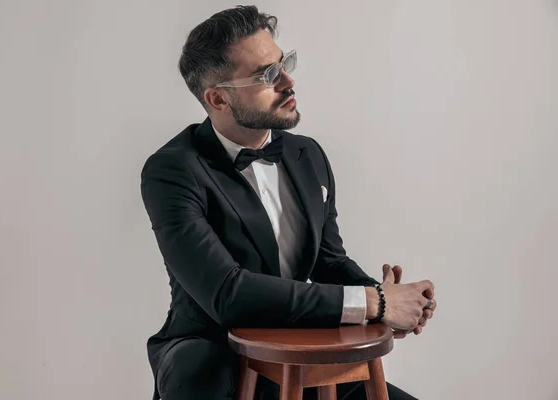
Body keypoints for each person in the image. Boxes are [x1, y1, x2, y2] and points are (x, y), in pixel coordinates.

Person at [140, 5, 437, 400]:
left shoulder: (307, 155)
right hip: (210, 356)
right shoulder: (172, 170)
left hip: (299, 348)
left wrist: (391, 299)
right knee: (198, 371)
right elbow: (228, 294)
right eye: (267, 75)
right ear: (217, 99)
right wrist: (374, 303)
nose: (288, 81)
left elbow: (327, 262)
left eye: (283, 64)